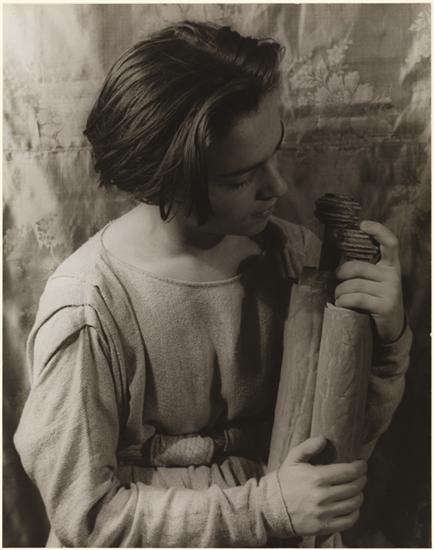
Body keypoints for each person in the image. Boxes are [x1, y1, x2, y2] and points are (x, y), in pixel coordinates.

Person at [14, 21, 412, 547]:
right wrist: (266, 509)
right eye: (239, 178)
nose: (277, 186)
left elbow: (343, 447)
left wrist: (385, 343)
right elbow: (86, 518)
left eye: (274, 153)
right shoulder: (89, 308)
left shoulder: (297, 258)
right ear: (166, 182)